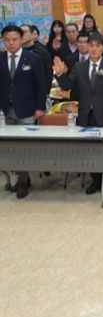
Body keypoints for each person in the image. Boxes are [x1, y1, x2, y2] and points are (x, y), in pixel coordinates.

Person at [53, 33, 103, 194]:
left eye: (98, 46)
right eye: (91, 45)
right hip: (85, 114)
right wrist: (60, 74)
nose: (94, 49)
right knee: (90, 149)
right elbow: (67, 86)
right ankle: (95, 180)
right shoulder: (79, 66)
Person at [0, 25, 47, 199]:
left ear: (21, 39)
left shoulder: (33, 58)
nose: (11, 43)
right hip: (5, 110)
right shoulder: (0, 58)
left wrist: (40, 107)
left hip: (27, 110)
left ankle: (22, 181)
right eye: (7, 40)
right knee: (10, 147)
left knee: (23, 146)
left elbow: (41, 85)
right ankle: (18, 177)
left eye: (14, 39)